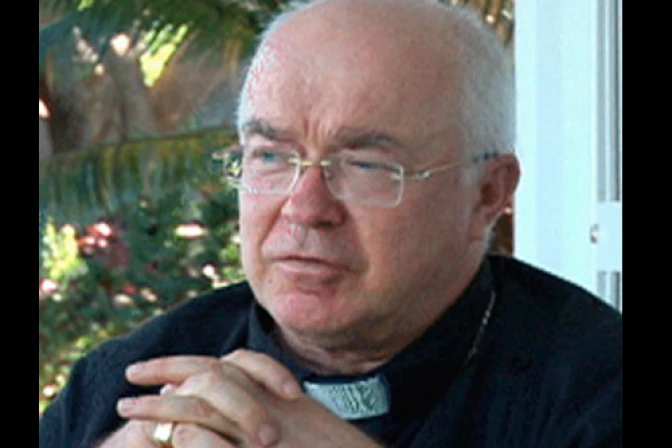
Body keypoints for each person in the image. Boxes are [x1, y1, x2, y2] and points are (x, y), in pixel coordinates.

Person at [39, 0, 622, 447]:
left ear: (487, 195)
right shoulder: (122, 387)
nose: (305, 207)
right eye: (271, 157)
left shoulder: (596, 391)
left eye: (366, 165)